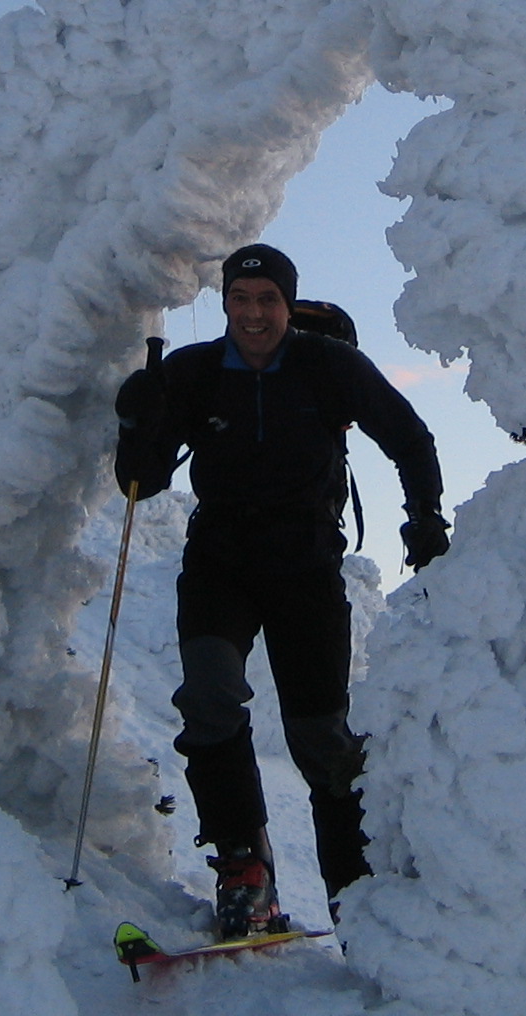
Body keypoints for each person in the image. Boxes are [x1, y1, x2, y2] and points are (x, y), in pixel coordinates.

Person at [114, 243, 450, 938]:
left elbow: (409, 437)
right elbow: (140, 483)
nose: (254, 313)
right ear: (225, 303)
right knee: (209, 697)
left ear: (288, 305)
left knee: (321, 735)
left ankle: (357, 892)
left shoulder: (330, 366)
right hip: (220, 563)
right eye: (240, 299)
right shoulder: (193, 372)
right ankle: (245, 868)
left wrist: (425, 517)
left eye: (268, 299)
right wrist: (136, 421)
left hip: (306, 566)